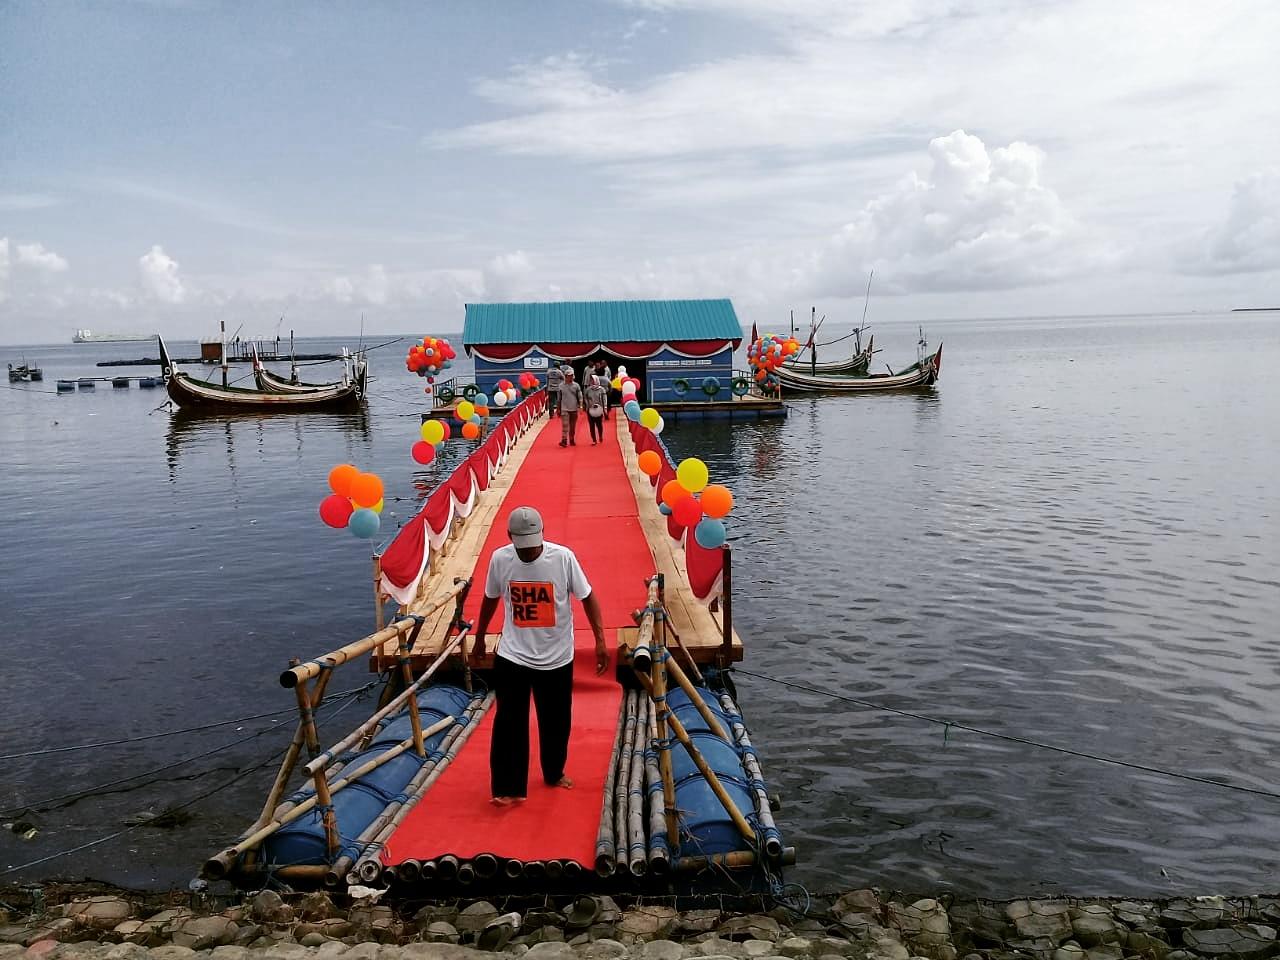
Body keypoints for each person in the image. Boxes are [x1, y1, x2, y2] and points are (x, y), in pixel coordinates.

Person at [472, 506, 609, 804]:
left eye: (533, 545)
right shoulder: (500, 559)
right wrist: (480, 637)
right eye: (523, 546)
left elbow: (587, 597)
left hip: (556, 655)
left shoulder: (562, 558)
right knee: (509, 721)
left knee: (556, 720)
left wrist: (600, 640)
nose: (529, 552)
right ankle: (508, 788)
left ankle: (553, 772)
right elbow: (490, 599)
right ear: (510, 537)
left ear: (542, 536)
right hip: (513, 654)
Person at [558, 368, 583, 446]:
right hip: (564, 408)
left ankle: (571, 439)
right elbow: (559, 398)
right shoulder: (561, 386)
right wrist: (558, 409)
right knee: (565, 425)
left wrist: (581, 405)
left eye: (572, 376)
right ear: (566, 376)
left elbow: (580, 396)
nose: (571, 377)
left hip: (574, 409)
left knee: (572, 426)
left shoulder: (576, 385)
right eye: (569, 376)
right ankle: (564, 440)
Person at [584, 374, 608, 445]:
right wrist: (588, 404)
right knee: (591, 425)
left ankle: (600, 436)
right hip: (590, 409)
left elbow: (604, 399)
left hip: (599, 410)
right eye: (591, 380)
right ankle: (594, 439)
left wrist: (605, 408)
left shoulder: (601, 390)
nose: (591, 381)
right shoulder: (588, 389)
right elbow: (585, 397)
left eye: (593, 380)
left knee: (599, 424)